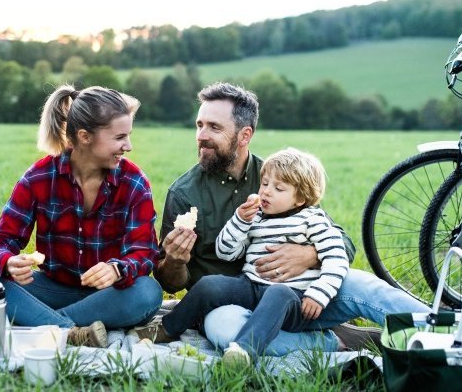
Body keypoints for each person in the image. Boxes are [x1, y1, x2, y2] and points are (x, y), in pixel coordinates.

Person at [151, 82, 429, 355]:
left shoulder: (277, 176)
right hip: (230, 303)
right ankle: (336, 341)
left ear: (244, 135)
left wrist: (310, 255)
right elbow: (170, 283)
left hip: (298, 295)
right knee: (226, 331)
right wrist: (175, 259)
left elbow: (339, 240)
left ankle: (450, 330)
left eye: (214, 127)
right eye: (199, 125)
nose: (201, 135)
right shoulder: (184, 193)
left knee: (364, 285)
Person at [0, 84, 162, 348]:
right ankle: (68, 330)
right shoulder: (39, 177)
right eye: (120, 137)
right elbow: (0, 239)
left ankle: (41, 325)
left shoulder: (134, 182)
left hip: (108, 296)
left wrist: (116, 269)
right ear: (85, 136)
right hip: (50, 290)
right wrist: (7, 261)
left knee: (148, 292)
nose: (128, 146)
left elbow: (144, 252)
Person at [138, 147, 350, 365]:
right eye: (265, 183)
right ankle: (165, 329)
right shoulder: (257, 216)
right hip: (252, 286)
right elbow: (226, 252)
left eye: (278, 188)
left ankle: (243, 351)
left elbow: (337, 258)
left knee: (278, 293)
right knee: (209, 284)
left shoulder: (313, 219)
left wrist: (318, 294)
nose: (266, 191)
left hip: (293, 300)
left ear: (300, 199)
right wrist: (240, 220)